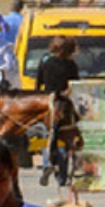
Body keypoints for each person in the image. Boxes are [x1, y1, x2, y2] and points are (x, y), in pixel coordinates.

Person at [35, 36, 82, 186]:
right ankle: (62, 174)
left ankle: (47, 163)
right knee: (67, 137)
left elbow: (38, 83)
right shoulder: (71, 65)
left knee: (48, 136)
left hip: (47, 103)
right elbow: (74, 85)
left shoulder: (46, 62)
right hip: (65, 104)